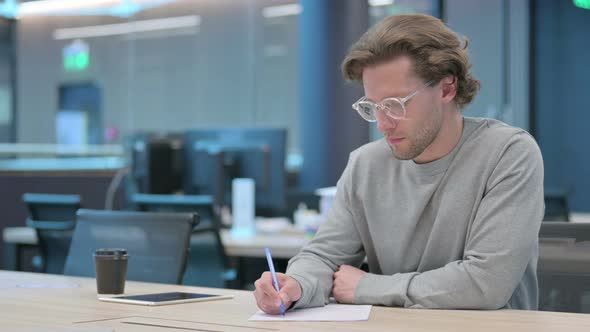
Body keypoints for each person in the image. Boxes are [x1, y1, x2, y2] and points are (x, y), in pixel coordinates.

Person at [254, 13, 544, 313]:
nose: (382, 123)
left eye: (395, 105)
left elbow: (486, 284)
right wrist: (297, 286)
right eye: (372, 106)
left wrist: (367, 287)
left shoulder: (508, 153)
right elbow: (324, 257)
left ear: (446, 88)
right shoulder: (366, 164)